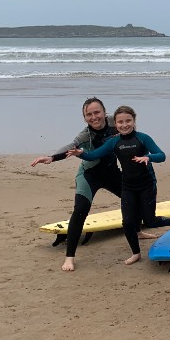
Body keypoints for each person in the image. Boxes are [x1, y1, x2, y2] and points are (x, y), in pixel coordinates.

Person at [69, 105, 170, 265]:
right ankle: (136, 253)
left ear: (134, 121)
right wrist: (80, 153)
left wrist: (148, 158)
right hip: (128, 186)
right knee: (128, 222)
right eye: (120, 122)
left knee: (150, 221)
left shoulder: (143, 138)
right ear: (115, 124)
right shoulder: (114, 142)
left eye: (128, 121)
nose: (124, 125)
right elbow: (93, 155)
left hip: (146, 184)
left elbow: (161, 156)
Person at [31, 97, 126, 272]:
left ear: (105, 112)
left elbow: (130, 131)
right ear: (85, 118)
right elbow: (70, 146)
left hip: (112, 173)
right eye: (88, 115)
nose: (93, 117)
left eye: (97, 112)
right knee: (80, 210)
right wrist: (51, 157)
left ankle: (136, 231)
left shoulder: (116, 122)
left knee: (131, 199)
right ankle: (69, 258)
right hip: (89, 175)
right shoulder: (84, 136)